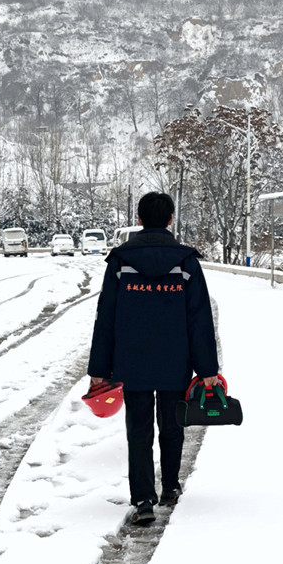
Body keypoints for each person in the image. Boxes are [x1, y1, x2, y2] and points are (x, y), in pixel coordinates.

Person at [87, 192, 220, 526]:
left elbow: (106, 318)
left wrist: (100, 371)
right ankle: (170, 486)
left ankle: (143, 500)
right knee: (172, 426)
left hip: (131, 362)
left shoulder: (121, 261)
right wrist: (207, 371)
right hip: (175, 359)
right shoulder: (186, 261)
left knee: (139, 430)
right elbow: (199, 318)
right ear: (171, 219)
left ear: (140, 219)